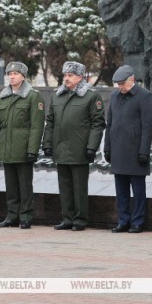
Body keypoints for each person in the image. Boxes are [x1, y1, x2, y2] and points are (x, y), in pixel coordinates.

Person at [43, 62, 105, 231]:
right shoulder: (57, 96)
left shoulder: (91, 96)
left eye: (70, 75)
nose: (66, 78)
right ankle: (67, 218)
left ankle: (80, 219)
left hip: (79, 148)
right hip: (61, 148)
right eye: (65, 75)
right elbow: (50, 122)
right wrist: (47, 144)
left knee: (79, 187)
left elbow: (97, 124)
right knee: (64, 186)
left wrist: (92, 147)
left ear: (80, 77)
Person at [0, 62, 45, 230]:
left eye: (15, 73)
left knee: (25, 186)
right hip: (6, 149)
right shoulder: (2, 97)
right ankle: (12, 215)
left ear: (23, 76)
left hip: (23, 149)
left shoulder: (33, 96)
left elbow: (37, 126)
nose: (12, 76)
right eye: (9, 74)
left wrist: (32, 150)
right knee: (11, 186)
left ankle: (26, 216)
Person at [104, 64, 152, 233]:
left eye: (123, 83)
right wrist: (107, 148)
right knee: (121, 190)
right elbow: (109, 123)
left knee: (138, 191)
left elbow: (147, 127)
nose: (120, 87)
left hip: (135, 151)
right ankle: (123, 220)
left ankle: (138, 221)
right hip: (118, 150)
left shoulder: (145, 96)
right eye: (118, 84)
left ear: (132, 79)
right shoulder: (114, 96)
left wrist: (144, 151)